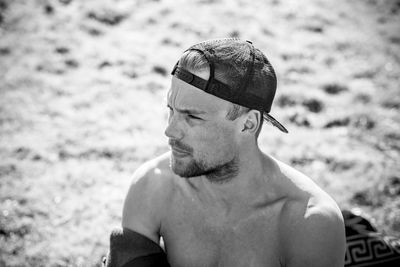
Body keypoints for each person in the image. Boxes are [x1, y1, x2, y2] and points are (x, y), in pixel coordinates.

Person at [104, 38, 346, 267]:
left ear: (248, 124)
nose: (170, 131)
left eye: (193, 117)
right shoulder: (153, 186)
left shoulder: (307, 222)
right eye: (172, 110)